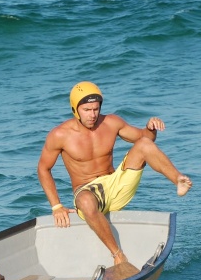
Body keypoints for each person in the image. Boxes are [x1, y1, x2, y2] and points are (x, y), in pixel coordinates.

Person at [38, 81, 192, 265]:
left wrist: (150, 128)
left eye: (96, 109)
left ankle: (178, 180)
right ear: (75, 109)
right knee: (85, 201)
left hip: (116, 184)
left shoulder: (111, 122)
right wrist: (56, 206)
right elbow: (43, 168)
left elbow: (146, 138)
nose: (92, 115)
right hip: (89, 193)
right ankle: (118, 256)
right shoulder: (59, 135)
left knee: (144, 145)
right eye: (87, 110)